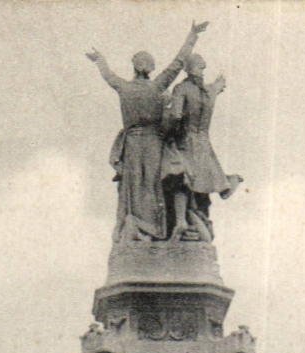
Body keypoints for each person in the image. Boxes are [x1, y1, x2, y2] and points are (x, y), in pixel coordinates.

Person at [87, 22, 207, 242]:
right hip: (153, 142)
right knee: (153, 185)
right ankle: (152, 229)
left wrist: (99, 61)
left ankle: (135, 226)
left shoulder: (124, 87)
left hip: (132, 143)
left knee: (134, 186)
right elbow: (178, 63)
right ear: (150, 68)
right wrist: (192, 35)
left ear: (134, 67)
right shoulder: (157, 86)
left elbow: (108, 75)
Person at [160, 52, 242, 241]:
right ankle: (227, 184)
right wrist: (219, 83)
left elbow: (176, 116)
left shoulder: (182, 88)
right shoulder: (209, 91)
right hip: (204, 144)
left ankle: (181, 221)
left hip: (186, 142)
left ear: (187, 69)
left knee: (179, 179)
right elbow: (218, 86)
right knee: (200, 185)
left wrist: (165, 109)